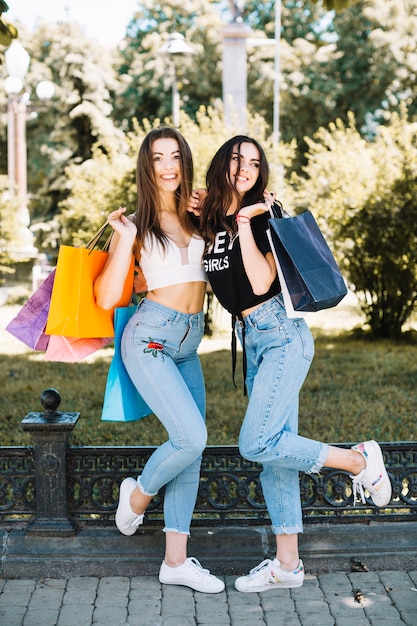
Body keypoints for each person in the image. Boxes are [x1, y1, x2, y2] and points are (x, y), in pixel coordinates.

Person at [194, 135, 392, 593]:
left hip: (282, 334)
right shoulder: (207, 216)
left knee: (256, 442)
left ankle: (358, 461)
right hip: (254, 339)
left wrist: (247, 220)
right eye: (238, 159)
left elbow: (262, 280)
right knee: (275, 454)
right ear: (223, 162)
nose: (245, 168)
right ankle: (287, 566)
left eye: (254, 162)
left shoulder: (261, 220)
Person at [94, 126, 224, 594]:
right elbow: (109, 297)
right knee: (191, 437)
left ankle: (175, 561)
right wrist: (124, 240)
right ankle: (138, 496)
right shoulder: (138, 225)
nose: (168, 166)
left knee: (191, 448)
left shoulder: (199, 215)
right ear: (146, 167)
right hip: (149, 337)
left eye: (175, 157)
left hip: (189, 342)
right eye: (157, 158)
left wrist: (219, 210)